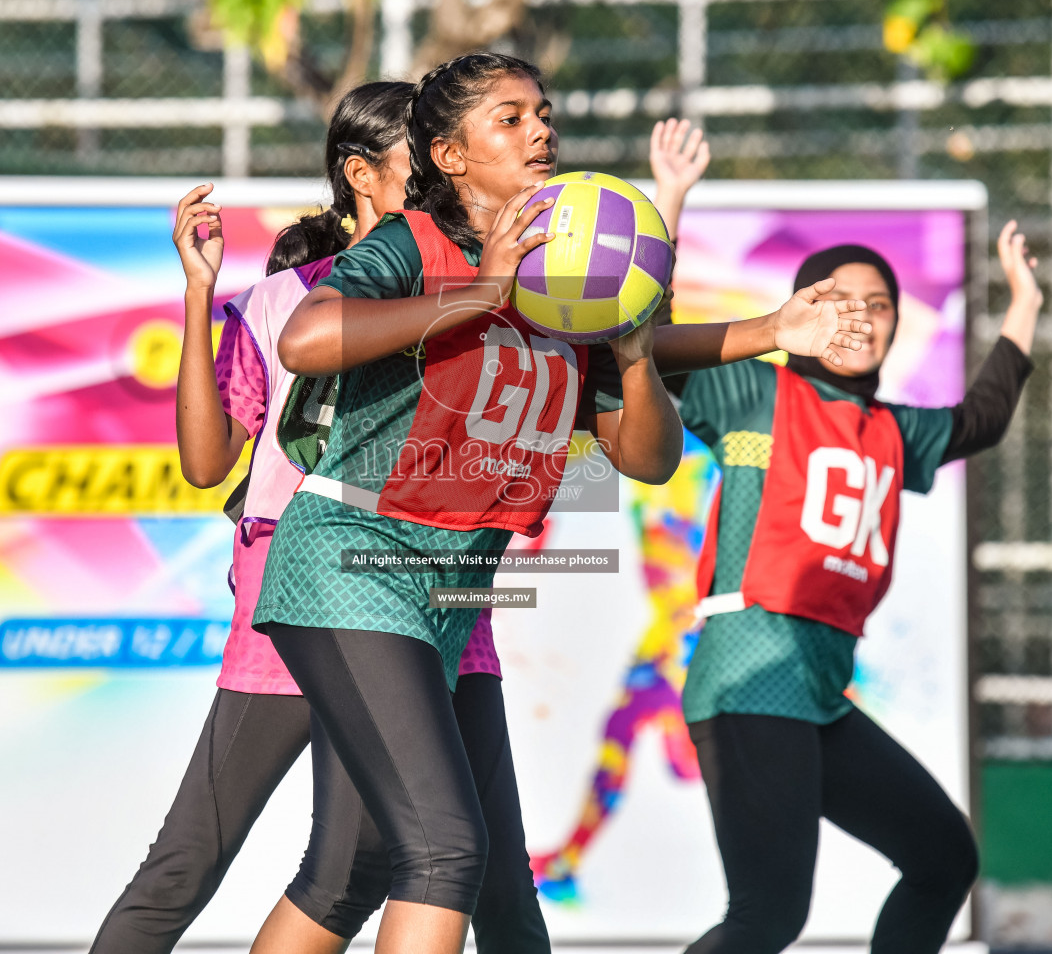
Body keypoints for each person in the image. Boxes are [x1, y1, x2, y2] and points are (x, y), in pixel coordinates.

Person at [255, 51, 873, 954]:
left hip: (454, 595)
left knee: (453, 883)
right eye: (509, 117)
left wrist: (735, 337)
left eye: (543, 111)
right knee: (444, 851)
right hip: (353, 562)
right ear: (450, 154)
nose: (541, 127)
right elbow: (308, 341)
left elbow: (647, 458)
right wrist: (482, 291)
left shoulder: (569, 275)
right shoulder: (411, 245)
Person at [90, 81, 427, 954]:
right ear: (362, 175)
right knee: (191, 859)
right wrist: (200, 293)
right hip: (290, 592)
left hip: (402, 597)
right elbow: (207, 467)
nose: (441, 182)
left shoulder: (462, 298)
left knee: (363, 867)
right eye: (420, 163)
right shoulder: (286, 302)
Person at [676, 222, 1044, 954]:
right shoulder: (756, 387)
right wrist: (672, 205)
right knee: (768, 913)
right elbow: (657, 350)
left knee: (944, 860)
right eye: (837, 299)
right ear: (800, 310)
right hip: (749, 679)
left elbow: (981, 419)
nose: (859, 316)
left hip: (815, 694)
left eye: (878, 305)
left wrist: (1025, 301)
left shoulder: (891, 429)